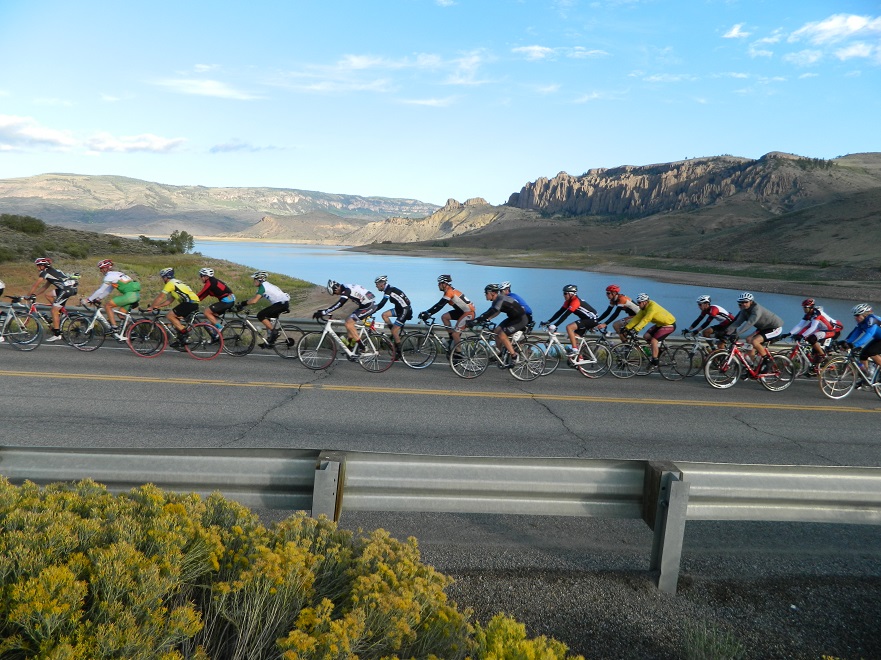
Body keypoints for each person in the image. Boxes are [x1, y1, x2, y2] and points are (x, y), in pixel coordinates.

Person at [467, 283, 528, 366]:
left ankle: (514, 356)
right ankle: (499, 354)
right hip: (512, 318)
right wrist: (486, 319)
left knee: (502, 335)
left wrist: (476, 321)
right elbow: (492, 312)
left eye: (486, 293)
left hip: (521, 319)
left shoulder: (500, 299)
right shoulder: (496, 301)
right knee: (496, 331)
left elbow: (492, 311)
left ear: (492, 293)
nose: (485, 295)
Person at [83, 259, 141, 340]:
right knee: (121, 314)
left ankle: (114, 327)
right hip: (136, 295)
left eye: (102, 268)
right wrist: (99, 298)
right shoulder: (117, 274)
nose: (101, 271)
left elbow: (101, 290)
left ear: (107, 268)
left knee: (108, 306)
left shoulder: (109, 276)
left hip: (130, 295)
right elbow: (108, 290)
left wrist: (88, 299)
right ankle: (132, 331)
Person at [24, 257, 79, 342]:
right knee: (48, 295)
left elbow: (36, 285)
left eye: (39, 266)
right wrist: (34, 294)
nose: (37, 268)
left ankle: (57, 334)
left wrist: (28, 295)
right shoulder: (52, 272)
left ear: (44, 265)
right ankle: (59, 311)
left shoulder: (45, 272)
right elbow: (45, 287)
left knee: (53, 310)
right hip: (67, 289)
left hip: (66, 290)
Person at [314, 280, 377, 353]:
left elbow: (339, 304)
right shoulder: (345, 287)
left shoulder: (347, 290)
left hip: (369, 306)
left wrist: (324, 312)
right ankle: (350, 346)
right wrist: (324, 311)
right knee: (348, 321)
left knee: (349, 324)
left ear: (336, 288)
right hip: (365, 305)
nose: (336, 294)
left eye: (334, 293)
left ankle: (362, 347)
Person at [143, 268, 200, 348]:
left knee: (170, 315)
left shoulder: (170, 284)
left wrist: (152, 307)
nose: (163, 279)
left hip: (189, 303)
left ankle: (185, 333)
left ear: (166, 277)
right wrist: (158, 306)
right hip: (194, 303)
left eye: (163, 277)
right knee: (175, 320)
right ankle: (181, 339)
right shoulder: (176, 282)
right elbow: (169, 300)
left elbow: (160, 297)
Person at [417, 274, 475, 350]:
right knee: (444, 317)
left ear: (444, 284)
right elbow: (438, 304)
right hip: (461, 312)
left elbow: (440, 305)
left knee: (456, 334)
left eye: (439, 283)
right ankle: (451, 338)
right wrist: (427, 312)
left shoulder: (449, 292)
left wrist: (428, 313)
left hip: (468, 313)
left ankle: (458, 353)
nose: (438, 285)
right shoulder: (449, 291)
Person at [728, 292, 784, 370]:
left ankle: (767, 361)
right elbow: (737, 323)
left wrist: (737, 333)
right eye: (741, 302)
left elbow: (749, 324)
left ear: (751, 302)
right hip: (763, 328)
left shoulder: (756, 310)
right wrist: (726, 332)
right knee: (749, 340)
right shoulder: (744, 311)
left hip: (775, 327)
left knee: (755, 341)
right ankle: (752, 367)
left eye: (745, 302)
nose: (743, 304)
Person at [541, 284, 599, 357]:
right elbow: (560, 312)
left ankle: (574, 349)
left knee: (569, 327)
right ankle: (579, 359)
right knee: (574, 338)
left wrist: (555, 325)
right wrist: (549, 321)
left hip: (591, 320)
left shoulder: (575, 302)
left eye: (565, 293)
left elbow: (566, 315)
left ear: (571, 294)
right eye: (563, 293)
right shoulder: (568, 301)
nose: (563, 295)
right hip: (585, 319)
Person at [623, 293, 676, 367]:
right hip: (660, 324)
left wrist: (636, 329)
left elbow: (646, 319)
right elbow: (637, 318)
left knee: (654, 341)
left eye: (639, 303)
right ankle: (657, 351)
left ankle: (655, 360)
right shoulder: (644, 308)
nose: (638, 305)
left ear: (645, 302)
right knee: (646, 336)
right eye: (637, 302)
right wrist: (627, 328)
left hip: (669, 324)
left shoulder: (652, 307)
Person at [240, 271, 291, 348]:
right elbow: (255, 298)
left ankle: (275, 333)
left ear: (260, 279)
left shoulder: (263, 287)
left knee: (260, 315)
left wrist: (242, 304)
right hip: (283, 303)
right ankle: (270, 341)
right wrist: (245, 302)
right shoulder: (266, 285)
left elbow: (254, 301)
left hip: (280, 304)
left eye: (255, 279)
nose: (254, 281)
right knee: (267, 318)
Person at [788, 298, 843, 365]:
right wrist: (790, 333)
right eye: (803, 307)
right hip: (824, 330)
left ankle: (823, 355)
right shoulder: (809, 314)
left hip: (832, 330)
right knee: (813, 347)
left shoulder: (817, 313)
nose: (804, 309)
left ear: (811, 307)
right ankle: (815, 367)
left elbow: (813, 327)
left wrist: (801, 335)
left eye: (806, 307)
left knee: (812, 339)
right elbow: (801, 325)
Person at [842, 303, 881, 386]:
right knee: (863, 355)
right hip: (878, 339)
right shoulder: (862, 322)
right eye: (855, 316)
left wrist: (855, 345)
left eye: (857, 315)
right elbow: (856, 333)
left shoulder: (872, 319)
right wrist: (846, 342)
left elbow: (869, 334)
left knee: (872, 352)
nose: (856, 318)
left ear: (864, 314)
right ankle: (866, 378)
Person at [373, 275, 412, 358]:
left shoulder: (388, 290)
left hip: (405, 310)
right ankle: (393, 335)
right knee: (384, 315)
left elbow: (383, 303)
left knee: (394, 331)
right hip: (400, 309)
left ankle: (399, 352)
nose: (376, 286)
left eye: (376, 284)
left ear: (381, 284)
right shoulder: (388, 288)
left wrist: (373, 310)